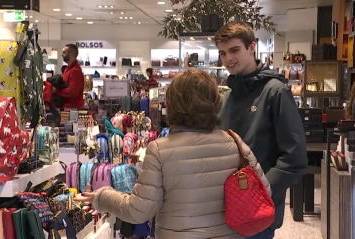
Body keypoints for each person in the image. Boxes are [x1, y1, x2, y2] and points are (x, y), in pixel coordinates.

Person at [75, 69, 270, 239]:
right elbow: (264, 192)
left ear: (172, 104)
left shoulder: (160, 149)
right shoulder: (234, 142)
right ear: (215, 102)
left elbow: (138, 210)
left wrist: (102, 196)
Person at [214, 21, 308, 239]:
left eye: (234, 50)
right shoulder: (228, 96)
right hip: (226, 209)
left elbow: (294, 158)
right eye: (223, 53)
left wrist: (259, 190)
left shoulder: (275, 92)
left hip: (258, 213)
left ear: (252, 47)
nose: (228, 58)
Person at [55, 44, 84, 108]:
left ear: (70, 55)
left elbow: (73, 91)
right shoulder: (68, 69)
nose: (61, 54)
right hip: (67, 108)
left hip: (72, 109)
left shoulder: (75, 71)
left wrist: (57, 91)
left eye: (64, 52)